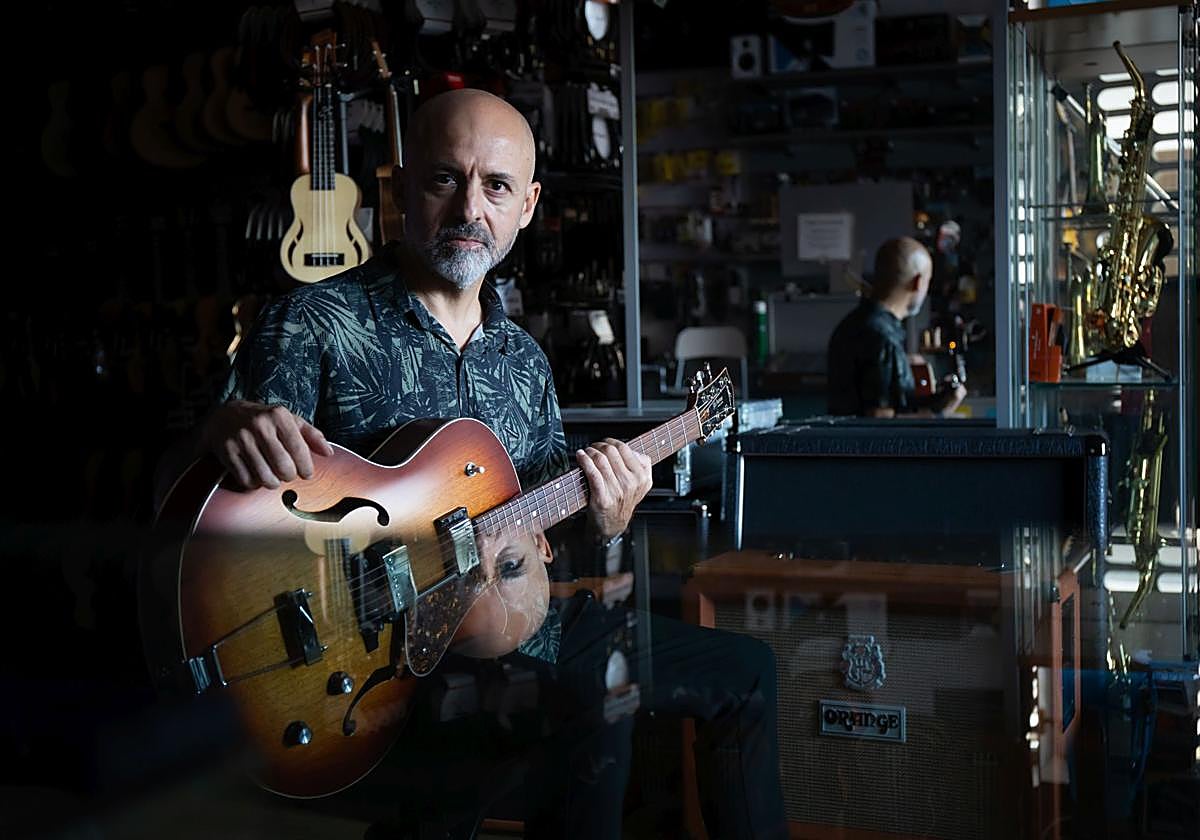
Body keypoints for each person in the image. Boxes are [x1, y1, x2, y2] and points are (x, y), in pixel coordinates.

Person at [199, 88, 786, 839]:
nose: (469, 206)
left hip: (517, 631)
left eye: (496, 186)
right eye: (445, 178)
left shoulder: (525, 362)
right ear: (401, 188)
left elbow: (541, 537)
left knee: (746, 673)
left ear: (528, 205)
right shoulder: (314, 324)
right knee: (589, 708)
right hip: (394, 668)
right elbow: (211, 502)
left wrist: (605, 522)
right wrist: (225, 427)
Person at [826, 236, 966, 418]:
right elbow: (880, 422)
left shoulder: (854, 323)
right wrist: (939, 411)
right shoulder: (882, 338)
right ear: (918, 282)